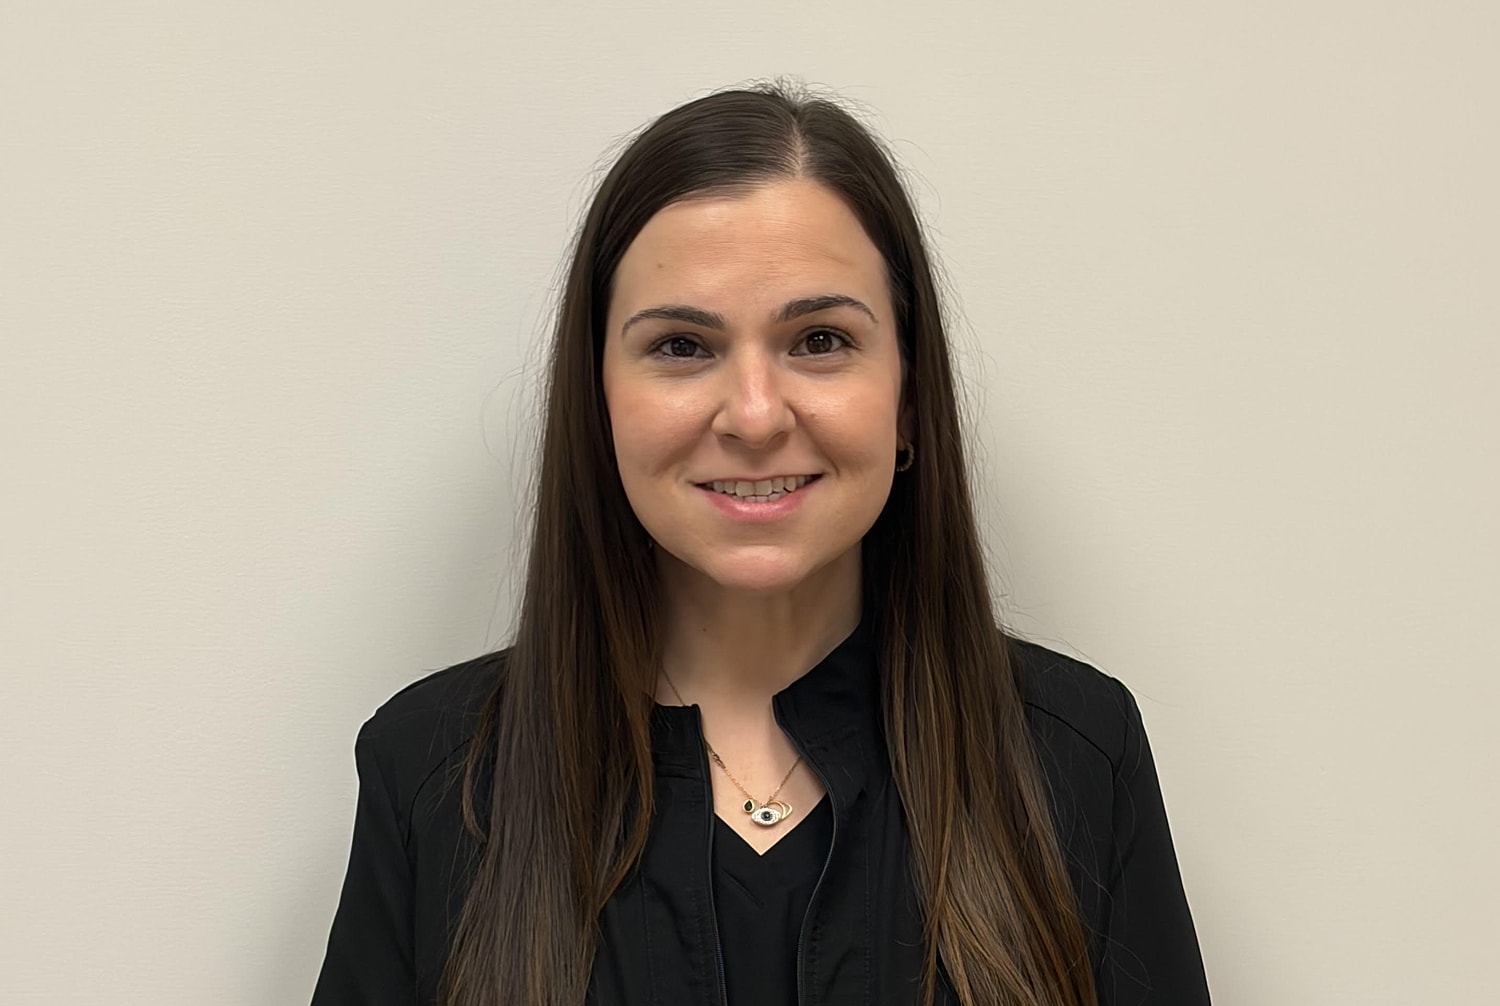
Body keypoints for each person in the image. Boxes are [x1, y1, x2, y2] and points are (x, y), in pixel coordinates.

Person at [312, 82, 1210, 1006]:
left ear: (908, 398)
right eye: (680, 347)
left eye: (819, 339)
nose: (752, 415)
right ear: (599, 406)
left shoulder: (1073, 756)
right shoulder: (433, 771)